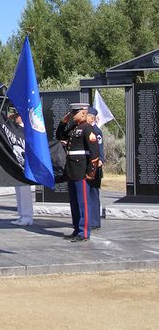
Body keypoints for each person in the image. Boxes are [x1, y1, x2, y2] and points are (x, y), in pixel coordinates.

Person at [56, 103, 100, 242]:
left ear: (82, 113)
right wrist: (64, 121)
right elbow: (60, 135)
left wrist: (90, 172)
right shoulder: (75, 128)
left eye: (74, 112)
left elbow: (94, 152)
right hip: (72, 170)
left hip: (81, 171)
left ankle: (84, 232)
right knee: (74, 203)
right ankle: (77, 229)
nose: (72, 114)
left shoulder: (87, 129)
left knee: (83, 203)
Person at [9, 112, 34, 226]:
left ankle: (27, 216)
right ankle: (22, 214)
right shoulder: (15, 129)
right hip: (17, 163)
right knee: (18, 190)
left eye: (17, 116)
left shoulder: (27, 130)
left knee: (24, 191)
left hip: (25, 164)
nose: (16, 118)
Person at [87, 106, 105, 230]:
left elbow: (99, 149)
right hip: (88, 166)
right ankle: (90, 219)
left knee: (93, 194)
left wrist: (99, 161)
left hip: (94, 167)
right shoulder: (88, 129)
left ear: (91, 117)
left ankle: (94, 221)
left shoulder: (95, 131)